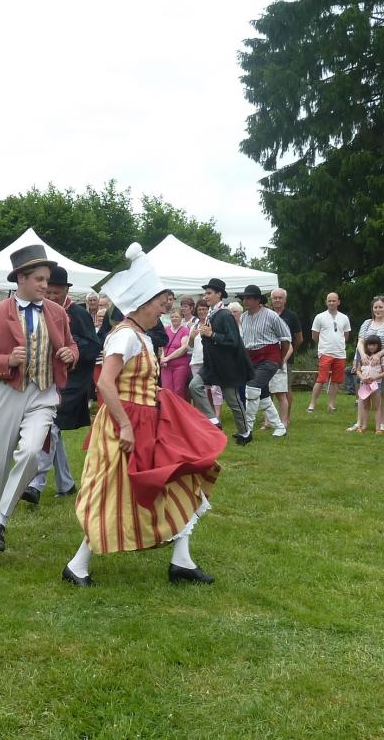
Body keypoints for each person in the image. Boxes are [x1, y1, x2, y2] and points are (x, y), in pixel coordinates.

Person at [62, 243, 226, 587]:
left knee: (177, 477)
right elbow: (105, 384)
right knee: (114, 492)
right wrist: (124, 426)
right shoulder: (125, 338)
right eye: (159, 301)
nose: (163, 306)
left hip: (147, 420)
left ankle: (181, 560)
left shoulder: (142, 336)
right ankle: (77, 565)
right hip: (126, 424)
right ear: (142, 304)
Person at [0, 244, 77, 553]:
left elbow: (71, 346)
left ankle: (1, 520)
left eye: (47, 279)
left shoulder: (57, 313)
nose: (47, 286)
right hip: (10, 391)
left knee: (31, 453)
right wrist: (6, 361)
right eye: (40, 279)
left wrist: (71, 354)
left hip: (44, 394)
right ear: (21, 278)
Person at [25, 266, 95, 502]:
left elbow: (93, 346)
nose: (51, 296)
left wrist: (71, 351)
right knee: (55, 430)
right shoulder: (40, 311)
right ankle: (66, 484)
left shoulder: (78, 314)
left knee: (50, 426)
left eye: (56, 292)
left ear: (66, 291)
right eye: (49, 292)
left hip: (74, 380)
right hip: (49, 378)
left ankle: (36, 483)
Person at [188, 279, 253, 441]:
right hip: (211, 364)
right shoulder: (212, 314)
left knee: (233, 401)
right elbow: (209, 340)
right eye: (205, 293)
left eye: (209, 293)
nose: (206, 296)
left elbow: (233, 341)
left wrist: (212, 335)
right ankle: (214, 420)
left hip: (226, 366)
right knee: (194, 386)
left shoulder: (225, 315)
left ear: (219, 294)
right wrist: (205, 335)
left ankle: (245, 433)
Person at [237, 285, 290, 442]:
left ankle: (247, 429)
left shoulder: (271, 316)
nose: (245, 301)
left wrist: (280, 359)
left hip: (269, 357)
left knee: (251, 389)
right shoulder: (244, 317)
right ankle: (280, 427)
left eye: (248, 298)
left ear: (258, 300)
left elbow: (286, 338)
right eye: (244, 298)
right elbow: (245, 341)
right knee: (264, 396)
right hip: (251, 359)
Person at [351, 297, 384, 432]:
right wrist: (363, 355)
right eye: (375, 307)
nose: (378, 310)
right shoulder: (367, 323)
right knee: (363, 392)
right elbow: (360, 341)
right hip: (367, 362)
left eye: (380, 307)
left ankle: (382, 424)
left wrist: (379, 355)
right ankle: (359, 422)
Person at [308, 293, 351, 413]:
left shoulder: (344, 318)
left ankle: (331, 404)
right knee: (321, 379)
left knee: (336, 380)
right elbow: (315, 336)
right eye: (329, 301)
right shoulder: (320, 317)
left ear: (338, 302)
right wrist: (323, 346)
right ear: (326, 302)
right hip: (325, 352)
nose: (331, 303)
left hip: (340, 353)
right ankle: (312, 405)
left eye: (334, 301)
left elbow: (346, 335)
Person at [268, 288, 302, 429]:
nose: (277, 300)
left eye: (280, 298)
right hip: (269, 356)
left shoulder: (291, 316)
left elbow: (299, 338)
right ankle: (269, 420)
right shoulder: (267, 314)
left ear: (285, 300)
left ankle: (286, 418)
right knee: (268, 389)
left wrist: (289, 352)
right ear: (271, 299)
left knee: (285, 388)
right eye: (275, 298)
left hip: (286, 358)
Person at [353, 336, 384, 433]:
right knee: (365, 405)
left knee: (376, 406)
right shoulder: (363, 358)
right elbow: (358, 371)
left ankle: (378, 428)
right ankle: (364, 426)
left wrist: (375, 378)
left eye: (374, 345)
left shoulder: (382, 358)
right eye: (369, 345)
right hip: (365, 385)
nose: (371, 347)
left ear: (378, 346)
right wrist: (362, 377)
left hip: (376, 385)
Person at [159, 309, 193, 400]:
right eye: (172, 317)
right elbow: (162, 346)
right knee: (166, 390)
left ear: (181, 318)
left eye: (177, 316)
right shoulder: (166, 329)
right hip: (166, 366)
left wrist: (168, 358)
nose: (174, 318)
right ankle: (168, 412)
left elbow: (183, 348)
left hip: (180, 366)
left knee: (178, 391)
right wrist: (162, 358)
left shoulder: (185, 330)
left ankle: (178, 412)